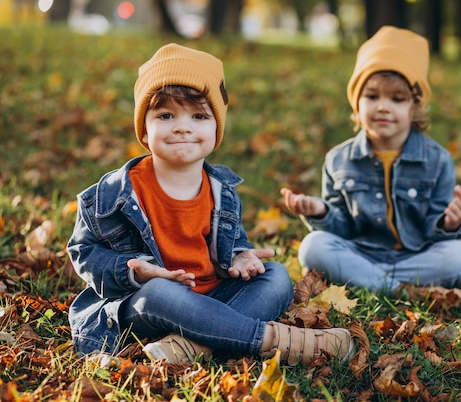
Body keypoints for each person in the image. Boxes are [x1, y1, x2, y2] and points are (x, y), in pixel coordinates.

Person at [67, 43, 353, 367]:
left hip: (213, 296)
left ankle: (192, 346)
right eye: (166, 115)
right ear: (144, 131)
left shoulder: (221, 191)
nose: (182, 126)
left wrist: (240, 257)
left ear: (216, 130)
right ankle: (276, 341)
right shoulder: (112, 194)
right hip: (148, 303)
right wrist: (136, 274)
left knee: (276, 278)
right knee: (162, 292)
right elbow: (84, 252)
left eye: (199, 116)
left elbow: (228, 246)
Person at [281, 26, 461, 297]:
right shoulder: (339, 159)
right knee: (313, 246)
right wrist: (320, 212)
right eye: (372, 96)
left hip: (414, 258)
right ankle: (399, 291)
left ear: (414, 108)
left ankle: (370, 282)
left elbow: (434, 234)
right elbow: (342, 229)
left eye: (397, 99)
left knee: (460, 256)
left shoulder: (437, 160)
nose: (383, 106)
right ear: (357, 103)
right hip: (359, 253)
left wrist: (449, 224)